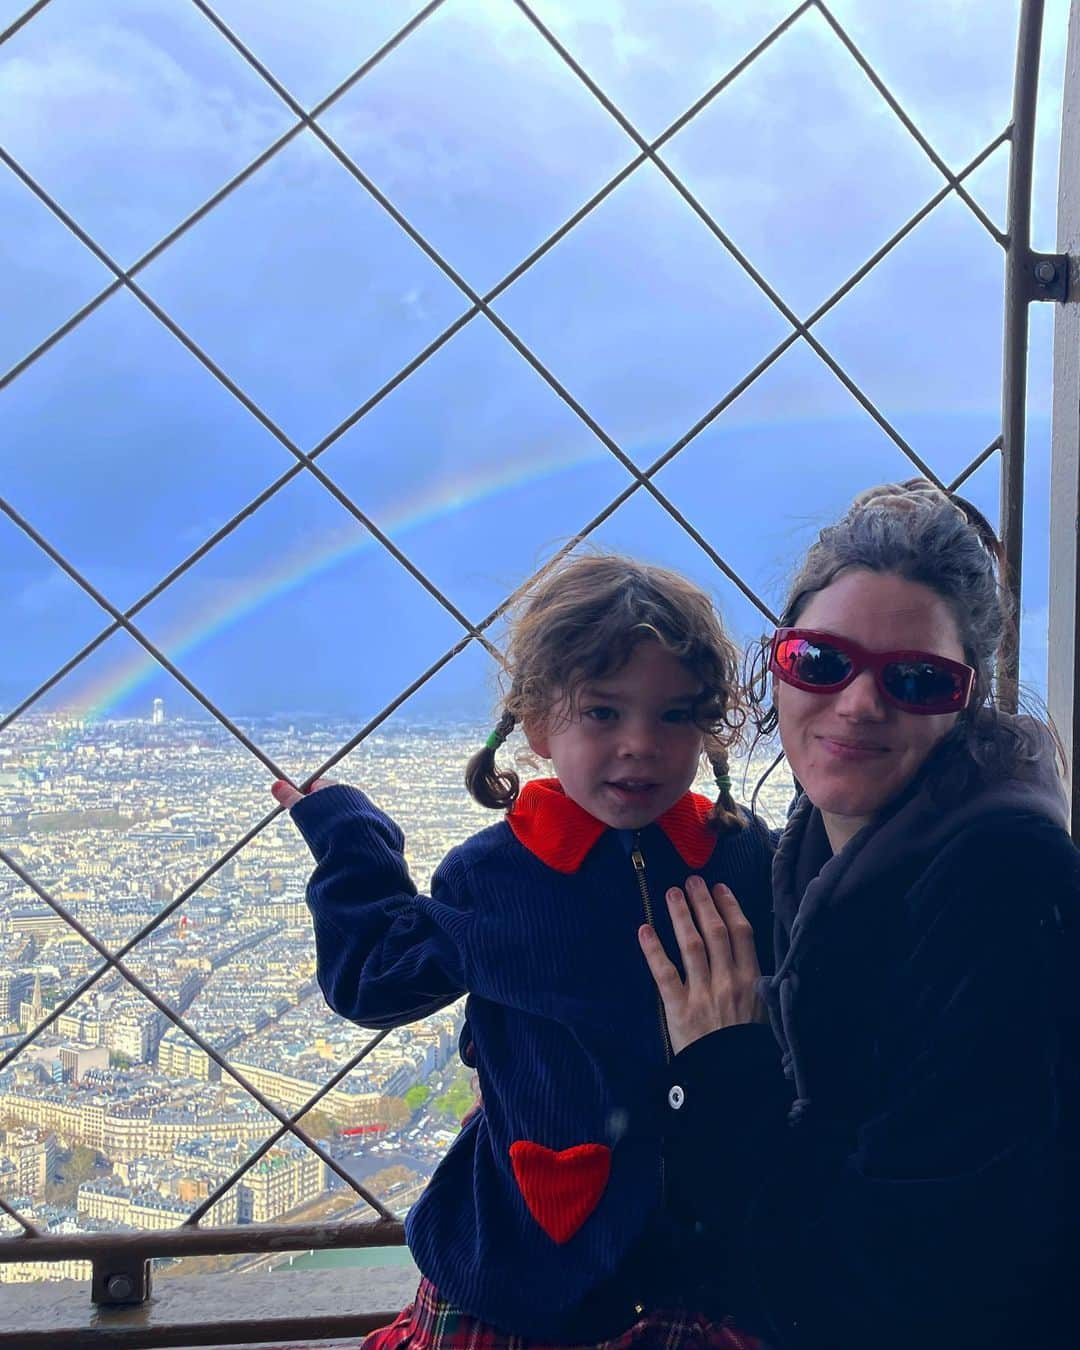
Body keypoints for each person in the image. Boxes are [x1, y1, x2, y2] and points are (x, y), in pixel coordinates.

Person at [270, 554, 774, 1348]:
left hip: (644, 1259)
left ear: (706, 730)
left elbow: (370, 976)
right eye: (604, 713)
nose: (641, 743)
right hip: (540, 1256)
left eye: (674, 716)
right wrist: (345, 834)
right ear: (537, 727)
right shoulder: (498, 876)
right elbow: (375, 980)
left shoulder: (739, 858)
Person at [639, 480, 1079, 1350]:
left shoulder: (1008, 889)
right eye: (822, 662)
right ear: (778, 663)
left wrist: (721, 1064)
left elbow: (897, 1283)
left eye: (915, 679)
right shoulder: (826, 853)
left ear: (966, 699)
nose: (860, 703)